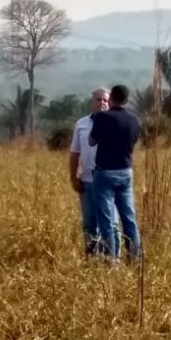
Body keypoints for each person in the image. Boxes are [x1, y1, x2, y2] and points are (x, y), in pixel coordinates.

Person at [89, 83, 142, 263]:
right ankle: (135, 259)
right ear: (127, 100)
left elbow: (91, 141)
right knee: (129, 218)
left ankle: (112, 261)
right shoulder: (135, 120)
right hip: (126, 171)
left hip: (105, 173)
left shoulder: (103, 118)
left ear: (110, 99)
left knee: (106, 221)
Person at [68, 87, 118, 256]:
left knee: (111, 223)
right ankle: (92, 258)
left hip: (108, 181)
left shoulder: (115, 122)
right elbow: (75, 152)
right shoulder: (82, 124)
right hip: (87, 181)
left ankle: (112, 259)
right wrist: (73, 177)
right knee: (89, 223)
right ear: (92, 102)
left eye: (105, 100)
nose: (102, 103)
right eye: (99, 100)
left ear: (110, 102)